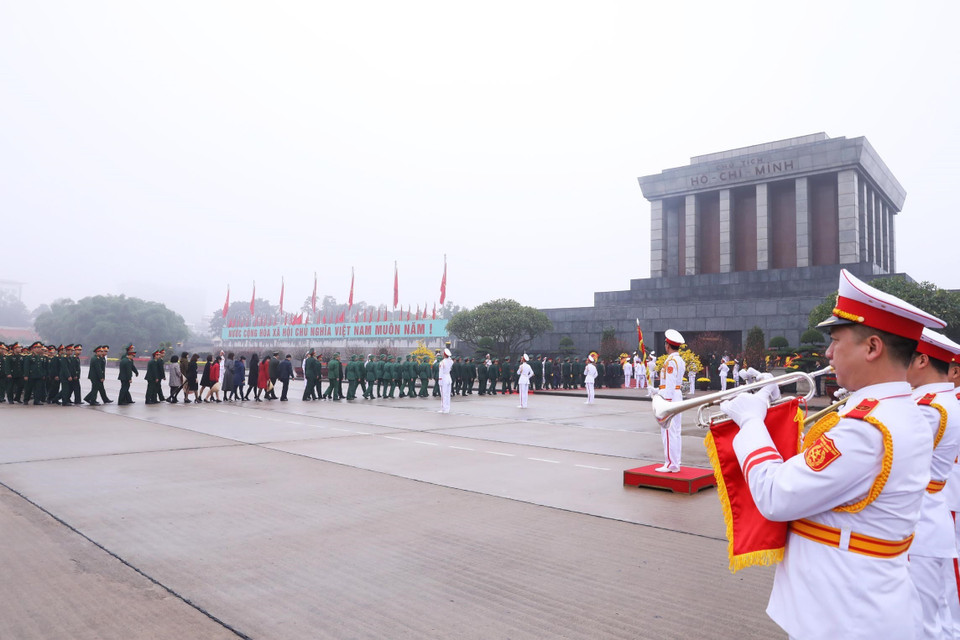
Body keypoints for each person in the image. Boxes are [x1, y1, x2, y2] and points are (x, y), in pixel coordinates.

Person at [718, 268, 945, 639]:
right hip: (863, 601)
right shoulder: (901, 412)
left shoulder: (866, 427)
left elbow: (775, 495)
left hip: (844, 611)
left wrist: (751, 423)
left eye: (836, 340)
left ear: (872, 347)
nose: (826, 352)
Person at [904, 329, 960, 638]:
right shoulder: (941, 400)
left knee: (925, 621)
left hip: (920, 519)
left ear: (923, 360)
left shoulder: (928, 407)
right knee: (937, 613)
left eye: (907, 359)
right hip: (933, 514)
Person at [655, 330, 685, 472]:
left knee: (668, 431)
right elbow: (669, 384)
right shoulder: (679, 360)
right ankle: (675, 462)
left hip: (670, 398)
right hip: (675, 395)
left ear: (668, 346)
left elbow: (671, 384)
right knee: (675, 431)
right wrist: (656, 390)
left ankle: (670, 464)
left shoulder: (671, 362)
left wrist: (665, 403)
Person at [438, 348, 453, 413]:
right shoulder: (450, 361)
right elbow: (451, 360)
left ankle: (444, 409)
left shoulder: (442, 362)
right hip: (448, 377)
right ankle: (447, 408)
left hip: (443, 378)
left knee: (443, 394)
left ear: (444, 355)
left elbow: (440, 372)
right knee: (448, 394)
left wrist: (440, 380)